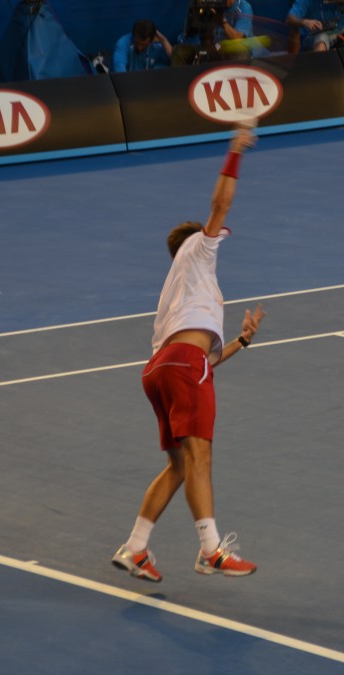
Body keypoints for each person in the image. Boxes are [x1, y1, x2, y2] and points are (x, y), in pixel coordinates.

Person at [112, 123, 265, 582]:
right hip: (183, 366)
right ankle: (211, 549)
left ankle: (135, 548)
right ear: (199, 240)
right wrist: (235, 150)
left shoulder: (177, 291)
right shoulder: (200, 250)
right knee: (202, 456)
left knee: (179, 464)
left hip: (160, 370)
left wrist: (240, 341)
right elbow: (221, 203)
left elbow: (202, 362)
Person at [172, 0, 255, 66]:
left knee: (240, 53)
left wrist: (223, 21)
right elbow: (189, 33)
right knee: (179, 52)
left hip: (232, 48)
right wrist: (198, 8)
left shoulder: (244, 7)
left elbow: (239, 39)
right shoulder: (211, 4)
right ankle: (177, 85)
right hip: (214, 47)